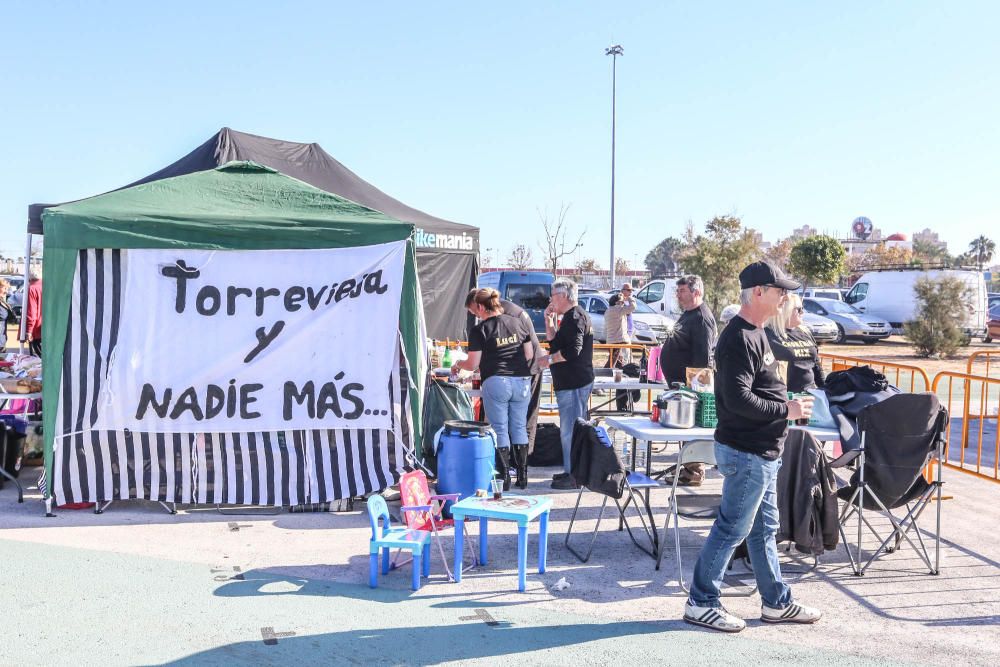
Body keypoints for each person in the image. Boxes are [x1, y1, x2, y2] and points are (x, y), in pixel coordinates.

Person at [683, 261, 821, 633]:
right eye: (780, 291)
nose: (785, 298)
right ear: (758, 292)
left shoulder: (757, 333)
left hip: (761, 451)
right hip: (747, 452)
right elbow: (737, 399)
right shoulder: (737, 338)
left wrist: (785, 406)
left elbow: (757, 389)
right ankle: (701, 601)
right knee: (732, 529)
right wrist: (786, 409)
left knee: (762, 531)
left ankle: (776, 602)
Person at [451, 288, 534, 490]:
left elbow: (472, 364)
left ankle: (504, 478)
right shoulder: (518, 322)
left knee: (500, 429)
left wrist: (457, 365)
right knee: (519, 427)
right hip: (522, 380)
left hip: (497, 381)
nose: (474, 314)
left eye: (474, 311)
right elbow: (529, 354)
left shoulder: (480, 330)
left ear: (481, 307)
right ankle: (523, 478)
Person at [660, 275, 717, 486]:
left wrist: (693, 387)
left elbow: (703, 357)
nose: (678, 295)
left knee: (690, 430)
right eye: (678, 291)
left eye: (682, 291)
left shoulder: (701, 318)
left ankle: (694, 472)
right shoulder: (689, 315)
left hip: (690, 387)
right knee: (683, 430)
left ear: (696, 292)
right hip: (679, 385)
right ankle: (688, 468)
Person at [539, 278, 594, 490]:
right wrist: (549, 321)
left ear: (563, 296)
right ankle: (570, 470)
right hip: (568, 382)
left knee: (570, 430)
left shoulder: (576, 317)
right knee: (569, 429)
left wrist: (549, 360)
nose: (551, 300)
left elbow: (573, 351)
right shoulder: (568, 318)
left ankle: (574, 475)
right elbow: (555, 344)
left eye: (553, 296)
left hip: (574, 382)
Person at [765, 293, 825, 394]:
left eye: (802, 308)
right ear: (785, 310)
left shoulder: (805, 332)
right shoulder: (768, 334)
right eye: (798, 309)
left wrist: (824, 389)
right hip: (785, 397)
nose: (802, 312)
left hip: (810, 394)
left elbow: (816, 364)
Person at [605, 284, 636, 368]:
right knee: (612, 362)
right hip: (618, 340)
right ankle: (603, 375)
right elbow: (633, 307)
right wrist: (630, 298)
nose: (623, 303)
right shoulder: (617, 309)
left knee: (619, 361)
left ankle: (619, 374)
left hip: (612, 339)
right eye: (621, 302)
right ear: (617, 303)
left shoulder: (609, 311)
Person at [23, 270, 42, 356]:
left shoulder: (31, 288)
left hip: (36, 330)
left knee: (36, 361)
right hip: (48, 329)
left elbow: (32, 312)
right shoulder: (47, 286)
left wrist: (29, 331)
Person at [0, 279, 15, 351]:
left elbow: (11, 318)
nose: (6, 291)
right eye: (4, 288)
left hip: (2, 340)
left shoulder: (3, 301)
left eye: (7, 289)